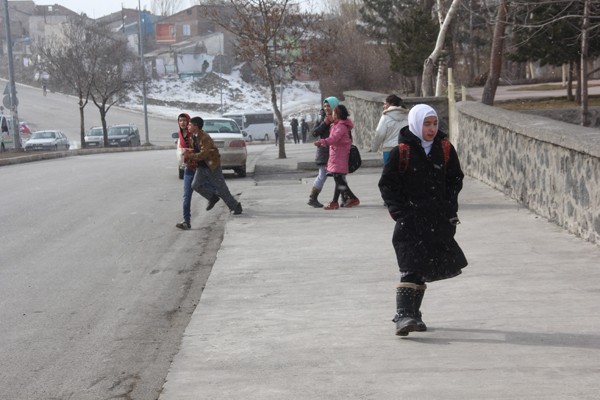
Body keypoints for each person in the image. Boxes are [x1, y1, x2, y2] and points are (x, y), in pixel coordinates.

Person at [378, 104, 467, 337]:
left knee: (421, 268)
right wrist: (399, 212)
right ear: (416, 123)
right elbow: (387, 184)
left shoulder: (446, 149)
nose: (431, 128)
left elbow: (455, 180)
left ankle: (414, 316)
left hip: (436, 220)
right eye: (426, 124)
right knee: (409, 265)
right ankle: (403, 315)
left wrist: (449, 208)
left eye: (434, 123)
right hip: (409, 220)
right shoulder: (402, 151)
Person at [187, 116, 243, 215]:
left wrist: (190, 156)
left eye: (190, 125)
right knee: (195, 185)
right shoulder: (193, 136)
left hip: (212, 166)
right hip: (202, 166)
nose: (188, 126)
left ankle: (236, 206)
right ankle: (212, 198)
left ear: (196, 126)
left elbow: (204, 154)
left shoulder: (205, 137)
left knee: (221, 188)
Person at [314, 104, 360, 210]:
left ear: (337, 114)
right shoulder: (337, 125)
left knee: (338, 179)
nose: (332, 115)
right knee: (339, 180)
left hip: (340, 156)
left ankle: (335, 202)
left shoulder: (341, 127)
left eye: (334, 113)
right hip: (336, 155)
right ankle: (352, 198)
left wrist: (322, 142)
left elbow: (334, 139)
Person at [307, 96, 338, 208]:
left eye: (329, 105)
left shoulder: (340, 117)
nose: (326, 108)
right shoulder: (321, 118)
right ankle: (313, 198)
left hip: (336, 151)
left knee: (339, 176)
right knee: (323, 175)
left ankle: (345, 197)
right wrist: (325, 122)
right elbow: (314, 133)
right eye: (325, 106)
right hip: (324, 152)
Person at [370, 94, 408, 165]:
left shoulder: (385, 117)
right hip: (404, 149)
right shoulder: (407, 116)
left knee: (389, 173)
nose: (383, 106)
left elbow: (380, 134)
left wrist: (374, 148)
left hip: (389, 149)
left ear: (391, 104)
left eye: (385, 104)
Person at [175, 113, 196, 230]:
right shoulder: (180, 135)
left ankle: (232, 204)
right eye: (180, 120)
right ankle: (186, 221)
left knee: (211, 190)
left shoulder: (193, 134)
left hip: (199, 167)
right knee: (186, 195)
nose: (182, 123)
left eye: (184, 120)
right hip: (188, 168)